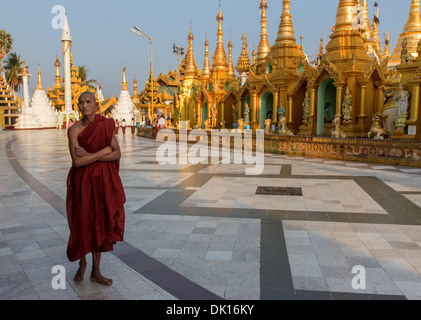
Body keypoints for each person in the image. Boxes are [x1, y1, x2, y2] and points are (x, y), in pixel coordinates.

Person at [66, 91, 126, 286]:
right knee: (82, 222)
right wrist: (102, 151)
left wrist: (90, 154)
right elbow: (77, 162)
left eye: (89, 102)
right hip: (81, 182)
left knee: (99, 222)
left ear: (97, 105)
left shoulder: (105, 125)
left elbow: (116, 154)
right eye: (81, 102)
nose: (85, 105)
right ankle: (82, 263)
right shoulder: (74, 130)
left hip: (102, 182)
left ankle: (96, 271)